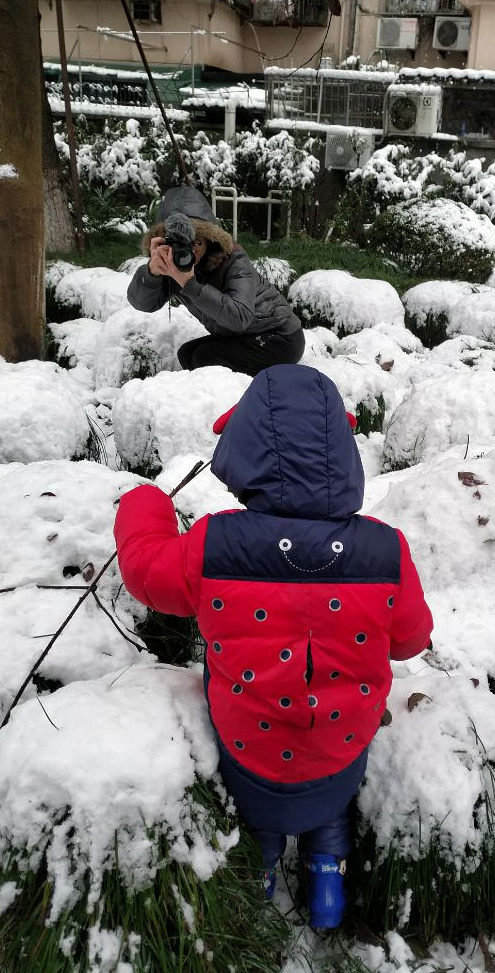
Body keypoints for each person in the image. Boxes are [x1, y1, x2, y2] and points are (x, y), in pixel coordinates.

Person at [113, 364, 433, 928]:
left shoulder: (215, 544)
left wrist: (145, 505)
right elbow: (411, 641)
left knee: (257, 813)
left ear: (245, 449)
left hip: (247, 751)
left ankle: (258, 868)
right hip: (342, 749)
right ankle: (326, 874)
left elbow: (145, 573)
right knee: (328, 809)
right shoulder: (385, 551)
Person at [127, 186, 305, 376]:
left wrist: (190, 284)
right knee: (187, 354)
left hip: (281, 338)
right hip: (244, 335)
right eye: (180, 244)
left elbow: (240, 317)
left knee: (203, 358)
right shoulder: (171, 263)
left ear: (210, 239)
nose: (189, 251)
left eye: (197, 242)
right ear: (164, 243)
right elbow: (143, 304)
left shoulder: (233, 258)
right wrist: (152, 273)